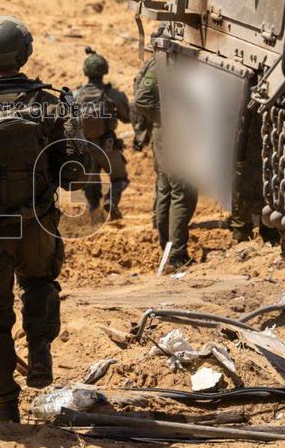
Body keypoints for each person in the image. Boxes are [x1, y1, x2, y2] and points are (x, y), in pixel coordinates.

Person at [0, 16, 88, 420]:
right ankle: (40, 356)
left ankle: (3, 402)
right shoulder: (49, 104)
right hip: (36, 222)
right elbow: (75, 174)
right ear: (24, 53)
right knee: (39, 285)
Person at [132, 27, 198, 270]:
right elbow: (142, 99)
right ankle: (176, 255)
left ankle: (168, 249)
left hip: (167, 133)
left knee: (166, 189)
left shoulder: (164, 61)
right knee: (182, 191)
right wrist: (167, 118)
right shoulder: (162, 63)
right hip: (172, 132)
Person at [74, 48, 131, 218]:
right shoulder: (113, 94)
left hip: (84, 147)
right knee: (120, 179)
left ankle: (93, 210)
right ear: (105, 71)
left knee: (90, 183)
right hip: (107, 147)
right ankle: (111, 202)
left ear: (86, 72)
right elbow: (127, 118)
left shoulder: (76, 95)